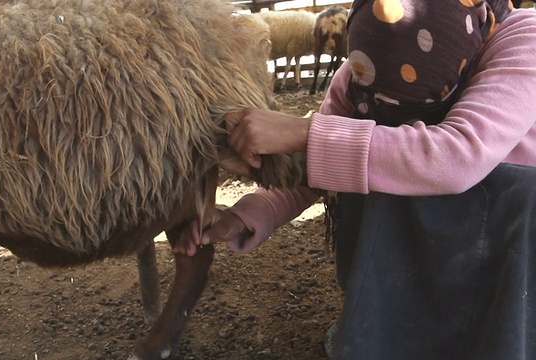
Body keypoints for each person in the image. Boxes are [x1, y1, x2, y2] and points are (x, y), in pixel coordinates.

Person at [175, 0, 536, 359]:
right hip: (410, 255)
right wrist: (243, 217)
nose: (400, 118)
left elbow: (455, 156)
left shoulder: (523, 39)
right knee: (376, 161)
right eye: (382, 107)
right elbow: (319, 165)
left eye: (423, 109)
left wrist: (305, 132)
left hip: (497, 255)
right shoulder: (362, 72)